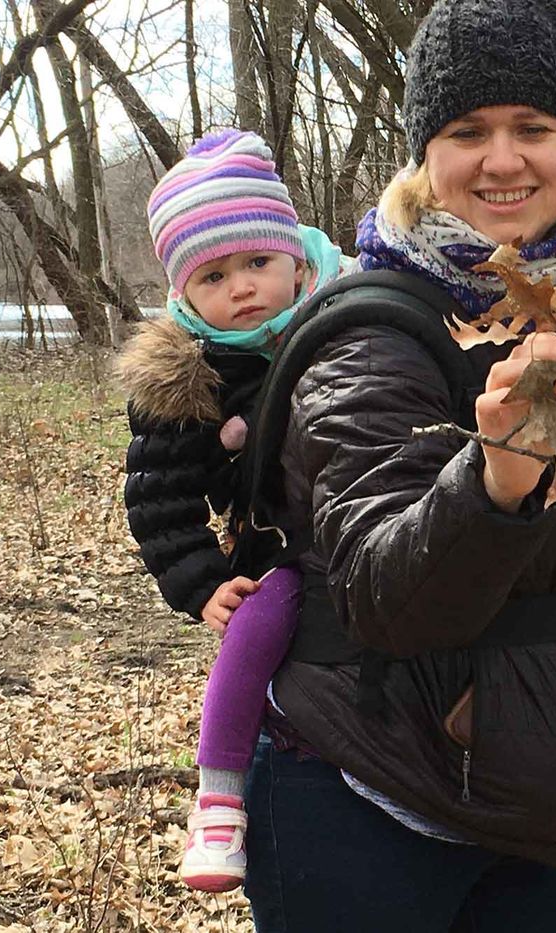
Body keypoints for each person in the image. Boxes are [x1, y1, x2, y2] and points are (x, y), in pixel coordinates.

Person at [243, 0, 556, 929]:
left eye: (534, 127)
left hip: (547, 814)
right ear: (424, 155)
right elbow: (379, 597)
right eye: (468, 130)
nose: (503, 159)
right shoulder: (370, 332)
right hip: (364, 799)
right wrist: (492, 485)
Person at [116, 128, 355, 892]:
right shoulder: (189, 375)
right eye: (215, 275)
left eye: (258, 261)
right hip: (281, 544)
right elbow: (159, 494)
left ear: (294, 254)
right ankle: (219, 795)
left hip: (373, 518)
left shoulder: (348, 313)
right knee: (258, 623)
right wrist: (199, 580)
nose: (243, 286)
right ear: (185, 292)